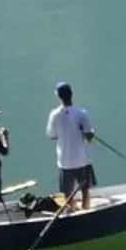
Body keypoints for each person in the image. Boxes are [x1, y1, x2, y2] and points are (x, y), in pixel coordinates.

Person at [45, 81, 97, 210]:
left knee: (67, 193)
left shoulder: (54, 114)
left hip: (65, 161)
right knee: (85, 190)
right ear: (71, 94)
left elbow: (52, 135)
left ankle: (72, 212)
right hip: (83, 160)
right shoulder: (81, 113)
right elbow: (89, 137)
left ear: (59, 96)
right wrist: (91, 133)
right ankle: (86, 211)